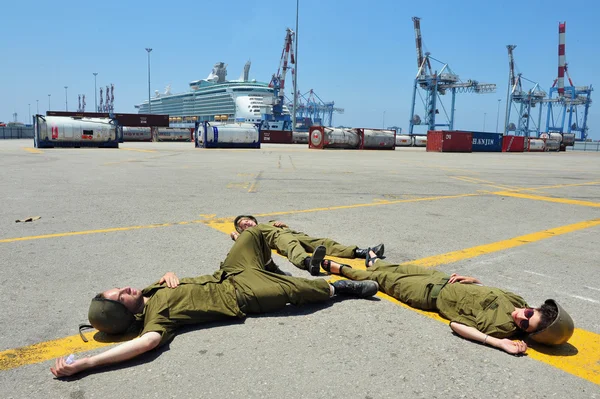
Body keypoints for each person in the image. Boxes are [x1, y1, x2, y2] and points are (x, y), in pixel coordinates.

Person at [50, 226, 379, 378]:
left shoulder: (148, 293)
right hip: (242, 294)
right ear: (124, 314)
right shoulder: (155, 319)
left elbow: (166, 280)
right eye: (121, 296)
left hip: (228, 272)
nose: (126, 288)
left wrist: (166, 274)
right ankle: (339, 288)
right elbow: (144, 344)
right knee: (299, 291)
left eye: (120, 288)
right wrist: (87, 363)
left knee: (254, 233)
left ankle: (288, 263)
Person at [320, 251, 574, 355]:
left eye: (526, 325)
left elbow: (456, 324)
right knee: (401, 267)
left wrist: (499, 344)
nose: (522, 317)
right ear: (535, 307)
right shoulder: (518, 300)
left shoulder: (502, 330)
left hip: (429, 295)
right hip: (444, 278)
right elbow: (488, 291)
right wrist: (474, 280)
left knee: (384, 280)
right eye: (530, 313)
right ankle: (374, 258)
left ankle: (338, 268)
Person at [231, 215, 385, 276]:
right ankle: (308, 262)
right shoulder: (250, 233)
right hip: (279, 238)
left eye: (247, 221)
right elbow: (245, 242)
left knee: (324, 242)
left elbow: (286, 228)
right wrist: (237, 236)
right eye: (243, 225)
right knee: (292, 247)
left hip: (295, 233)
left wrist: (283, 224)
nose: (247, 224)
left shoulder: (269, 222)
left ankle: (361, 252)